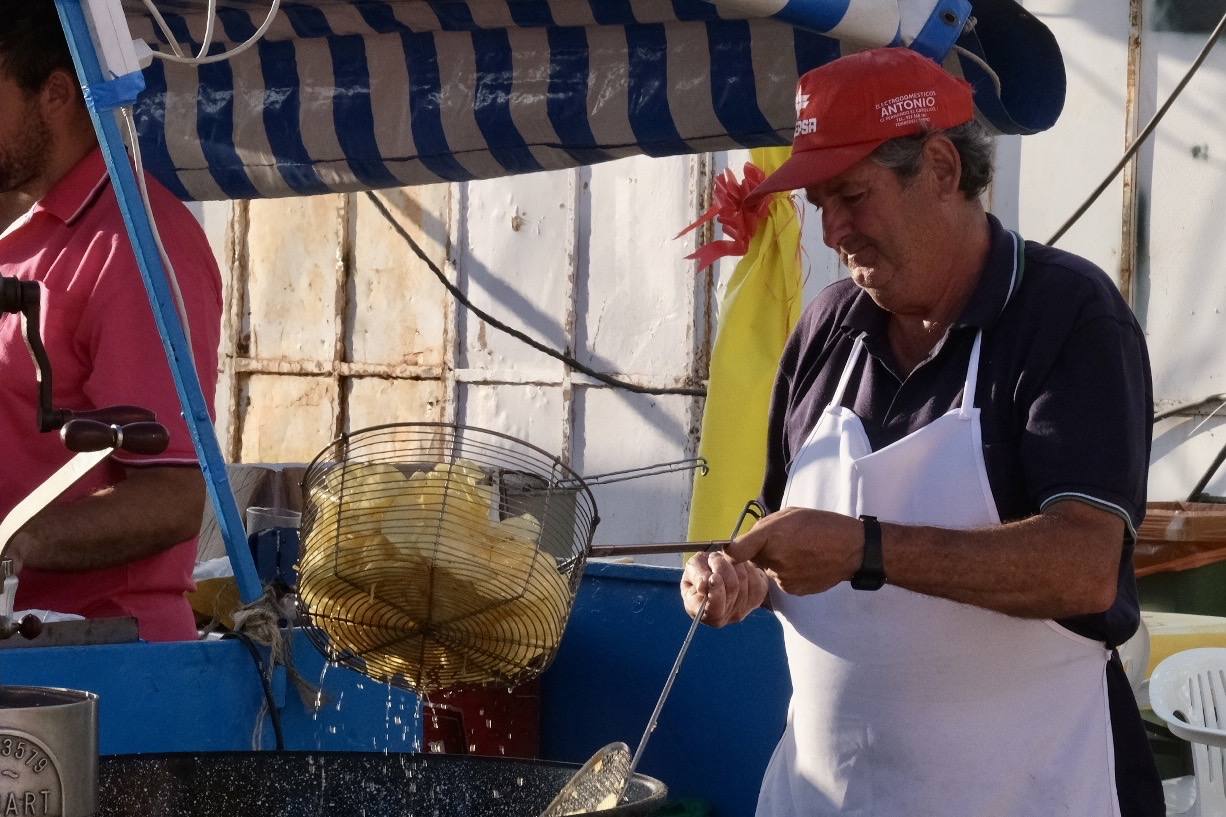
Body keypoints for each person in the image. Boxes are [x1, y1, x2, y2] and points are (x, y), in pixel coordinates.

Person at [681, 47, 1163, 816]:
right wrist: (741, 576)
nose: (834, 229)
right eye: (820, 202)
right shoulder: (827, 329)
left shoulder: (1067, 316)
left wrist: (862, 547)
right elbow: (782, 539)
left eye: (853, 195)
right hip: (820, 798)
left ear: (940, 167)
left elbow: (1082, 565)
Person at [0, 3, 222, 641]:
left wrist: (16, 542)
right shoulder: (31, 231)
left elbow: (174, 498)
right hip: (30, 641)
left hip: (105, 659)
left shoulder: (137, 246)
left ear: (57, 95)